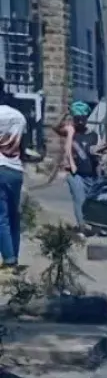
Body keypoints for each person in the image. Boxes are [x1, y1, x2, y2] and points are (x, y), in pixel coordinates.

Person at [59, 108, 104, 230]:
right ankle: (82, 227)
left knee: (93, 202)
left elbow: (100, 157)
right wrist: (64, 115)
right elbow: (56, 127)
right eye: (77, 119)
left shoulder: (94, 136)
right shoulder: (70, 132)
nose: (79, 122)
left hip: (92, 174)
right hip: (75, 174)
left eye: (82, 119)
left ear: (86, 119)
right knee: (79, 199)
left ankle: (95, 226)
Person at [0, 78, 26, 270]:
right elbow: (22, 146)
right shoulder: (18, 116)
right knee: (14, 214)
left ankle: (9, 259)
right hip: (15, 169)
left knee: (1, 217)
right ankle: (14, 254)